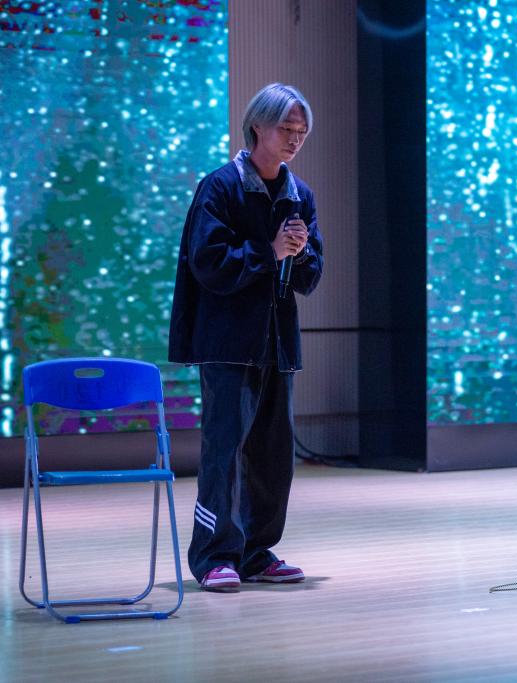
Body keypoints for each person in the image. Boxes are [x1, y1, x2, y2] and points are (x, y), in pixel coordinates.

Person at [169, 83, 324, 591]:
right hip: (229, 344)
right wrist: (270, 251)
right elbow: (208, 263)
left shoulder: (300, 195)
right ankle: (215, 555)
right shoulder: (220, 187)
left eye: (302, 131)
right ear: (257, 126)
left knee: (274, 455)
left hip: (278, 345)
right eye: (287, 128)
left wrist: (300, 253)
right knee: (225, 452)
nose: (295, 139)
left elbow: (310, 277)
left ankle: (257, 552)